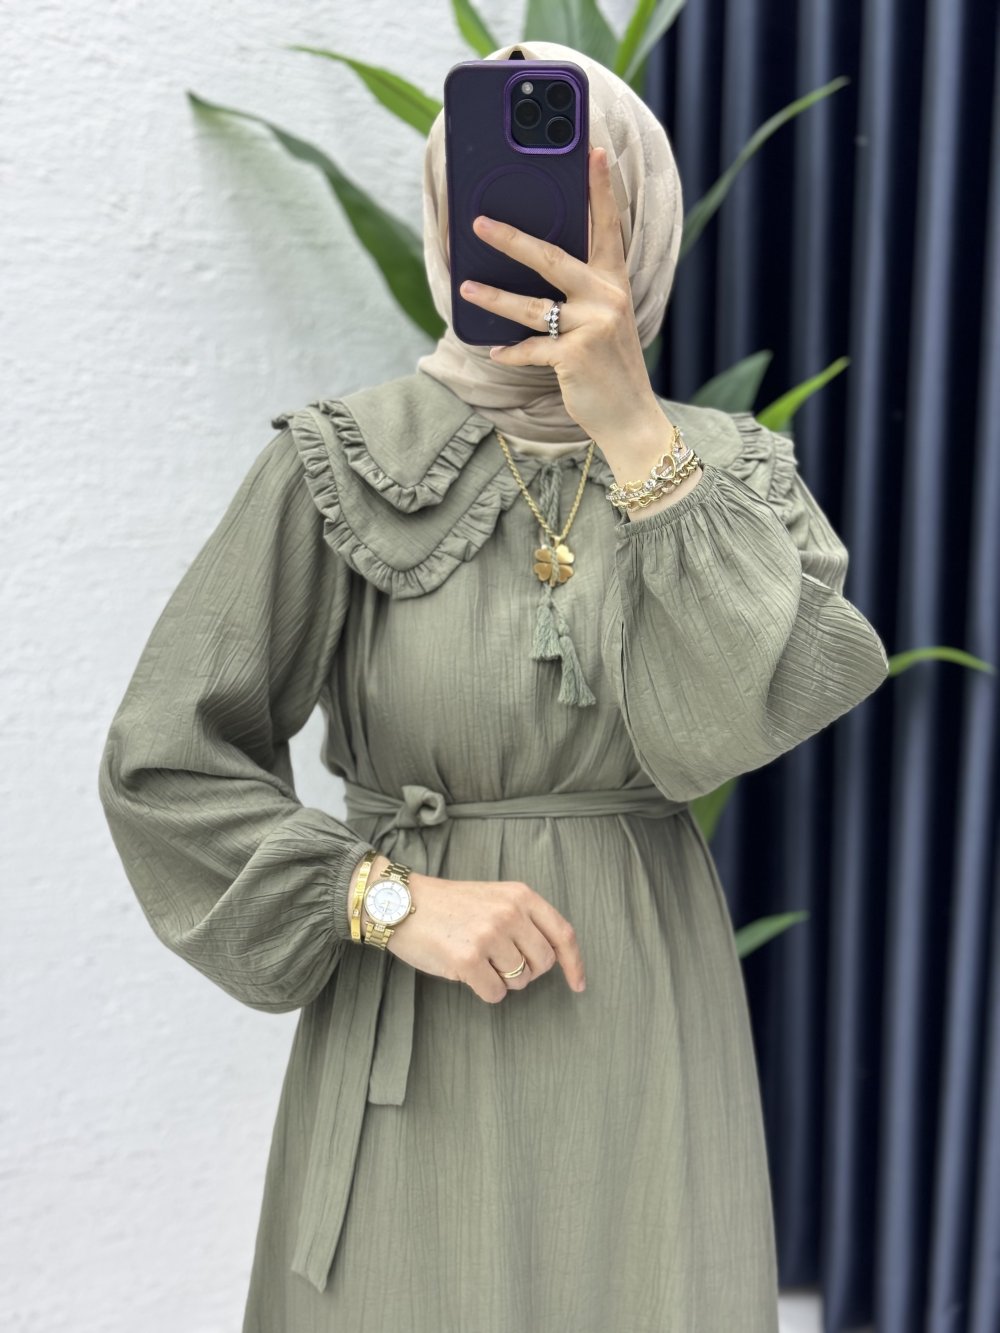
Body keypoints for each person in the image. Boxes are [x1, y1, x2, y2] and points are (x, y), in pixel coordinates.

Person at [97, 38, 890, 1333]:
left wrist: (631, 427)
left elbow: (747, 711)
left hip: (644, 1023)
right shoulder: (340, 464)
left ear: (641, 214)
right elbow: (161, 763)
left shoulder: (732, 478)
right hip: (416, 1030)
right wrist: (387, 896)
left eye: (582, 195)